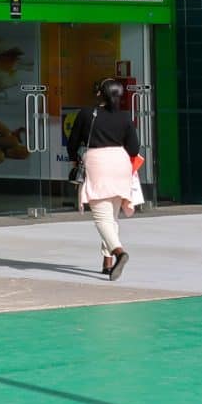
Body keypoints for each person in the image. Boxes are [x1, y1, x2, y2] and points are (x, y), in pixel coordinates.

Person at [67, 77, 143, 279]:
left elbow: (72, 143)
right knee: (112, 217)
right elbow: (134, 148)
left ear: (100, 93)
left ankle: (119, 253)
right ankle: (107, 262)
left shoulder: (86, 114)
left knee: (102, 218)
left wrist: (74, 160)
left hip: (97, 162)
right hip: (121, 163)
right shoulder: (125, 117)